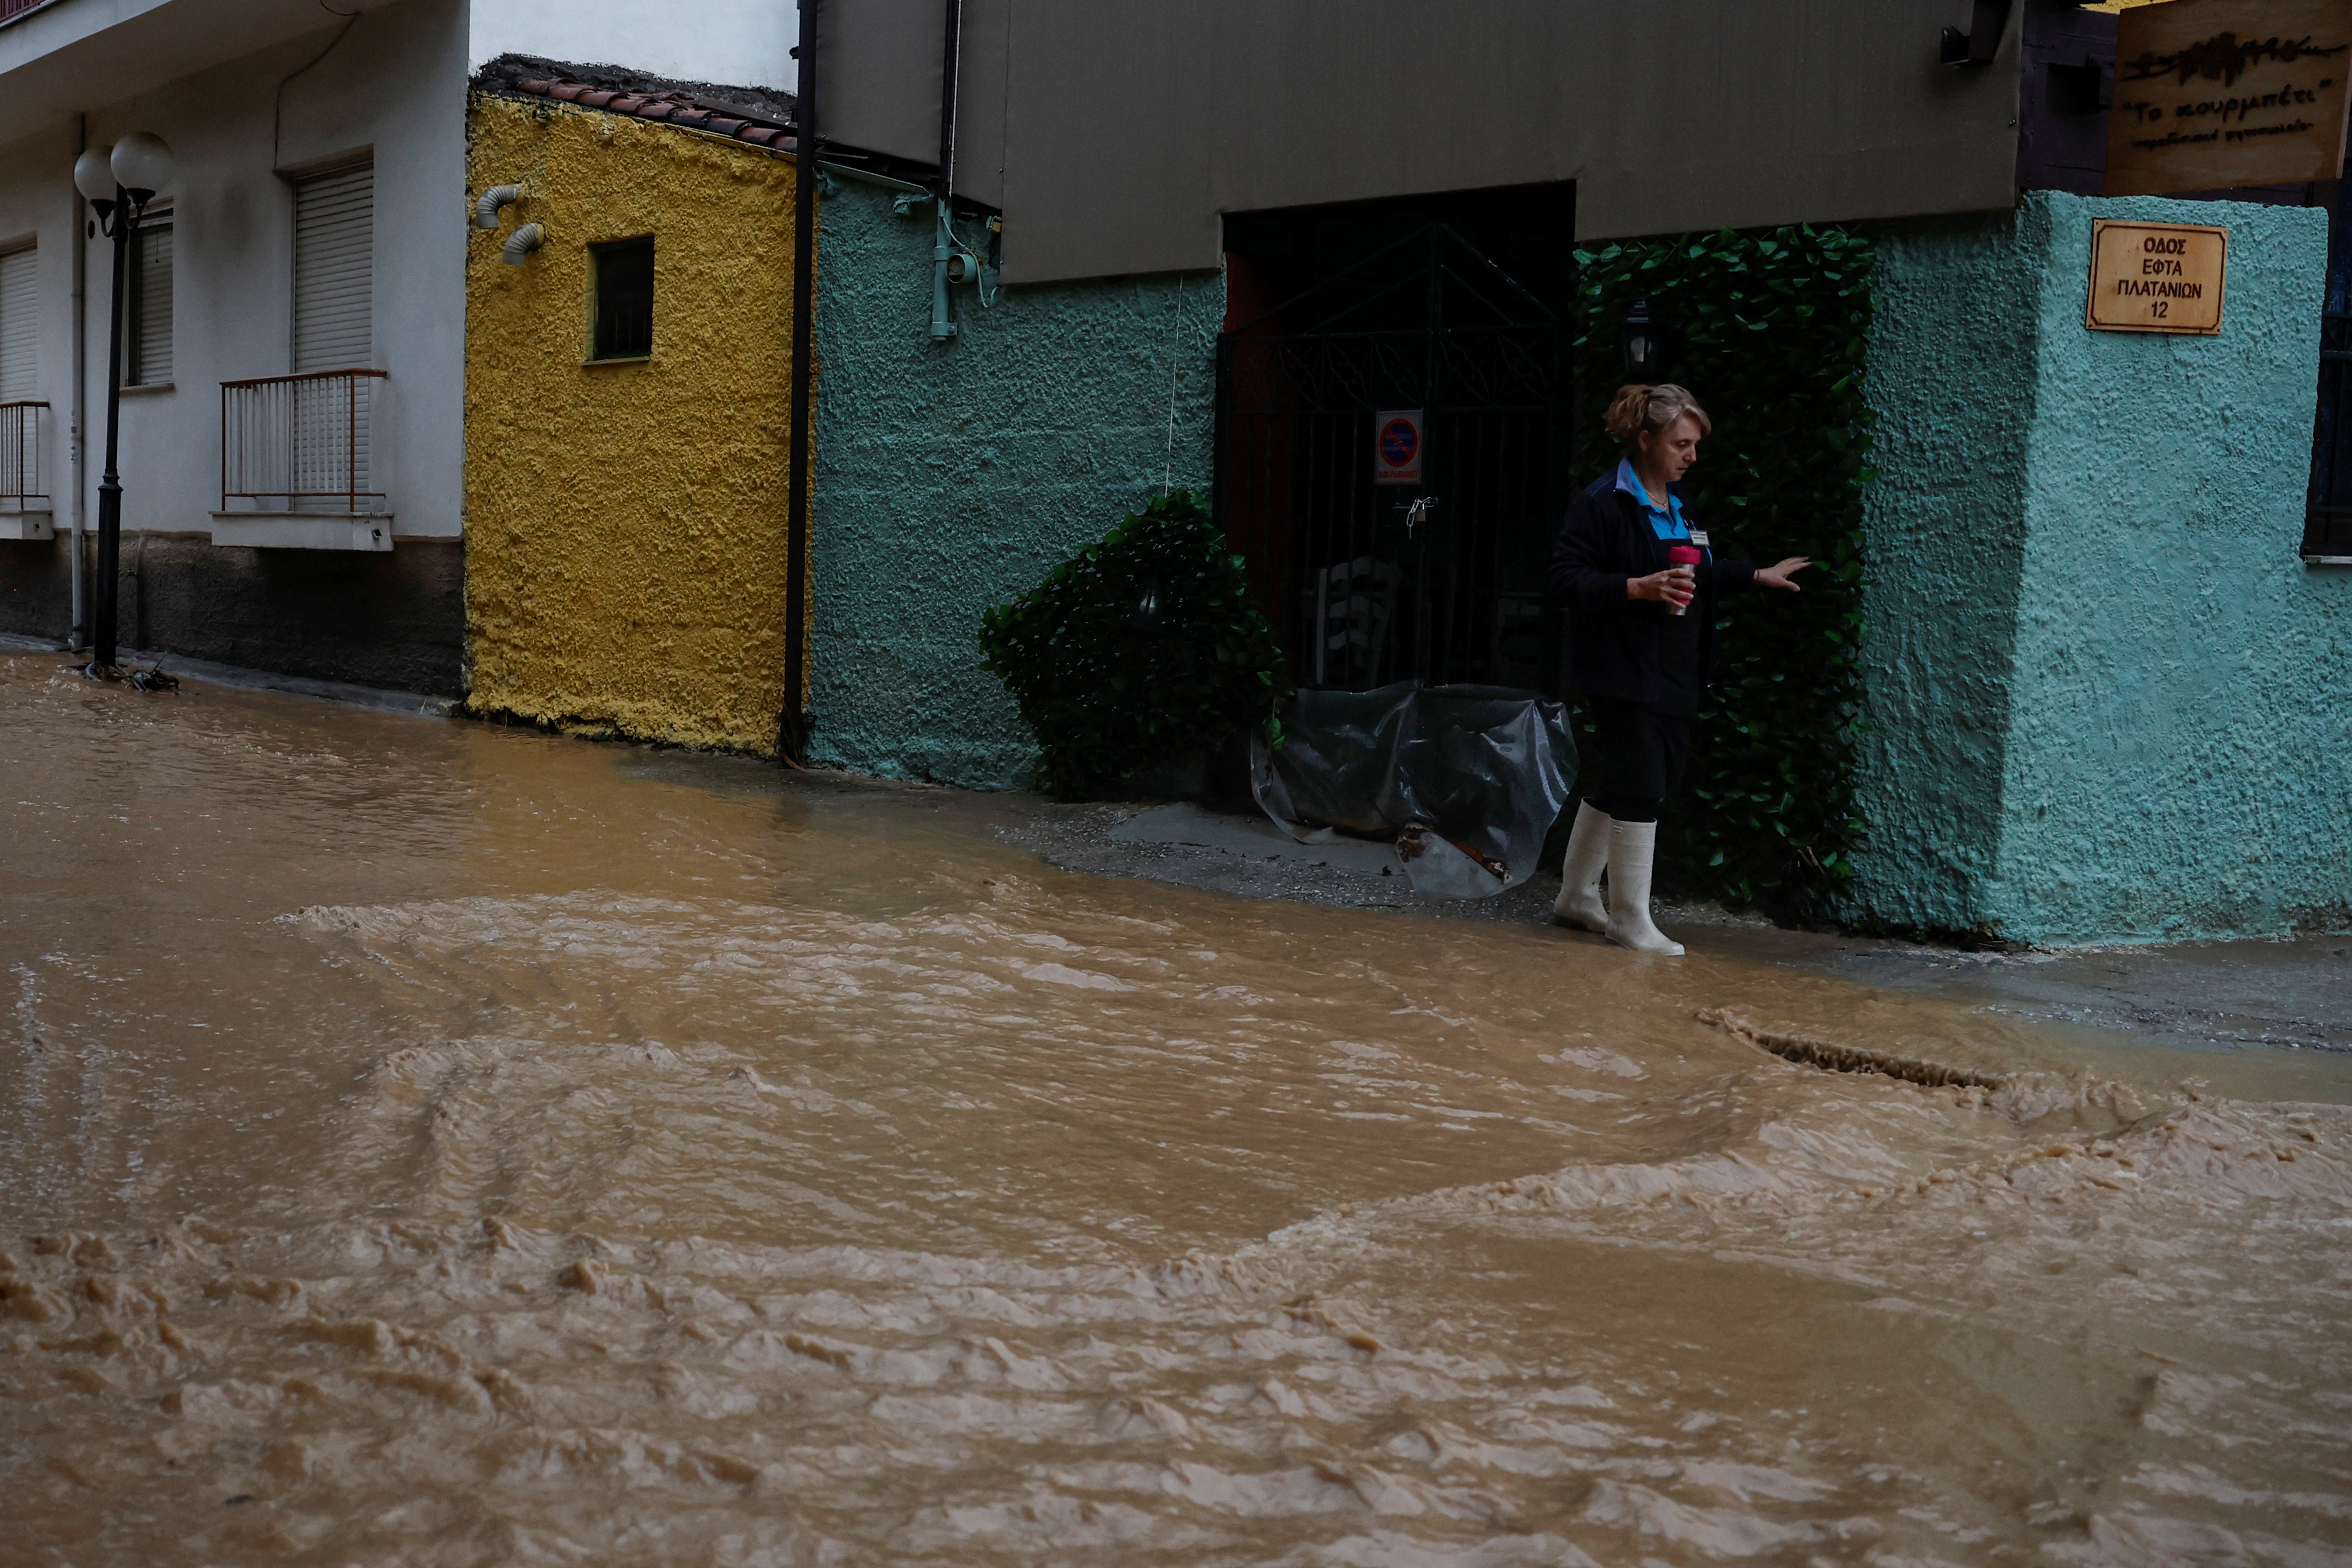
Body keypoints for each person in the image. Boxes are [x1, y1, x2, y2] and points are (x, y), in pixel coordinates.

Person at [1547, 384, 1810, 955]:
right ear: (1646, 440)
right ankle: (1629, 917)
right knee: (1642, 783)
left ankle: (1575, 897)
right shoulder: (1602, 503)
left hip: (1675, 668)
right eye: (1681, 444)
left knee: (1623, 778)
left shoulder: (1679, 506)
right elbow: (1565, 579)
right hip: (1623, 667)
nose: (1692, 456)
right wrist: (1636, 588)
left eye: (1695, 445)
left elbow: (1699, 572)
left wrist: (1754, 575)